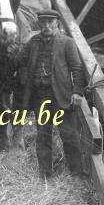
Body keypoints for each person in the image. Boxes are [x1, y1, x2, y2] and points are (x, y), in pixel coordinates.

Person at [16, 9, 85, 178]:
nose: (46, 26)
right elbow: (18, 61)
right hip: (40, 96)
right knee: (43, 135)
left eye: (50, 22)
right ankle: (46, 175)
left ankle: (77, 174)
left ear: (57, 23)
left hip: (62, 95)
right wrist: (11, 48)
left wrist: (77, 92)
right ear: (39, 24)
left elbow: (77, 68)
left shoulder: (66, 42)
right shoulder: (32, 43)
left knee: (69, 135)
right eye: (43, 23)